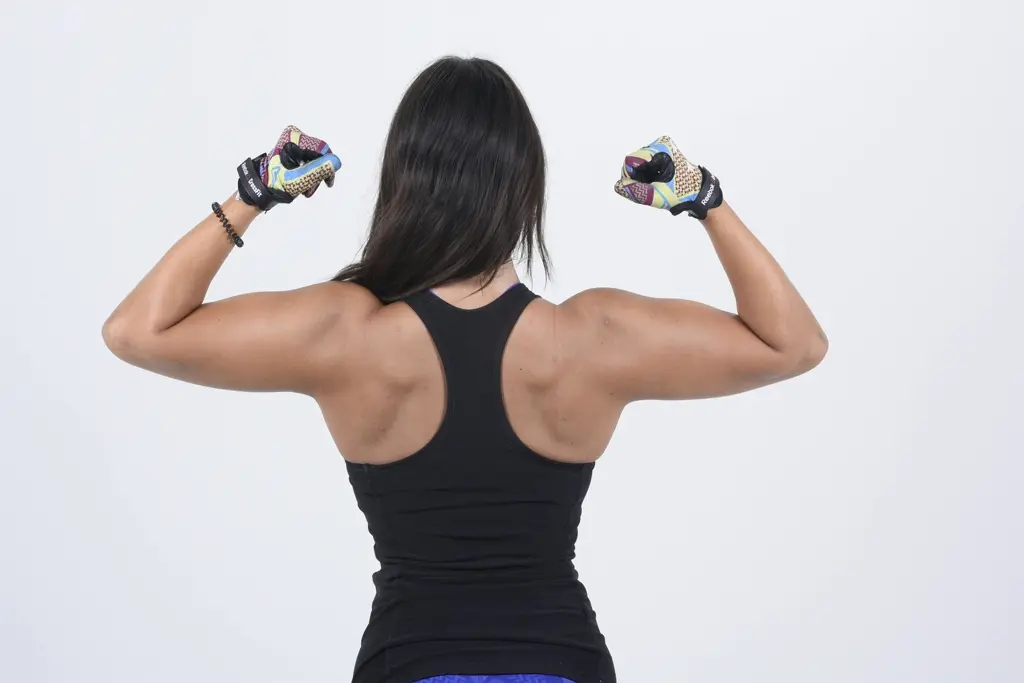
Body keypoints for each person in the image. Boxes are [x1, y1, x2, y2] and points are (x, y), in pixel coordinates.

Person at [102, 56, 827, 683]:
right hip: (563, 660)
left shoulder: (345, 333)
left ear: (403, 181)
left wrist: (253, 194)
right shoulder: (592, 336)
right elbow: (793, 344)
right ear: (525, 187)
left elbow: (137, 332)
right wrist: (704, 200)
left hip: (408, 660)